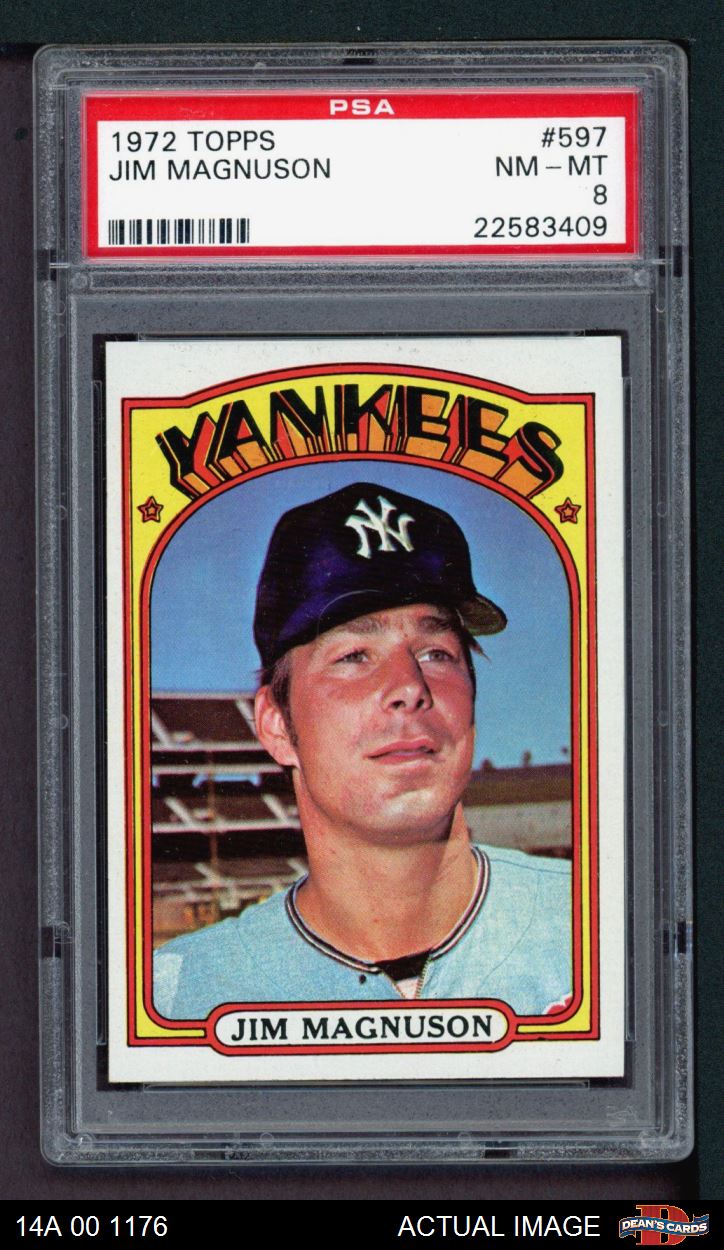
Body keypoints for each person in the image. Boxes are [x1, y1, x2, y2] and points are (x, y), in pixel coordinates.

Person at [154, 481, 571, 1018]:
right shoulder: (181, 994)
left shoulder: (599, 927)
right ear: (276, 725)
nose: (410, 686)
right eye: (353, 655)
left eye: (437, 652)